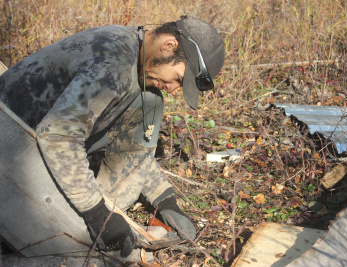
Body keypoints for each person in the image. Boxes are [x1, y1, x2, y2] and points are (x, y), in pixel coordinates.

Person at [0, 16, 225, 257]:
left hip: (38, 143)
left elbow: (132, 146)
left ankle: (113, 214)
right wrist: (96, 214)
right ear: (169, 46)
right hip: (11, 143)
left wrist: (165, 199)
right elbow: (58, 134)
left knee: (150, 101)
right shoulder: (114, 62)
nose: (173, 89)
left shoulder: (137, 54)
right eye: (179, 79)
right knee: (79, 256)